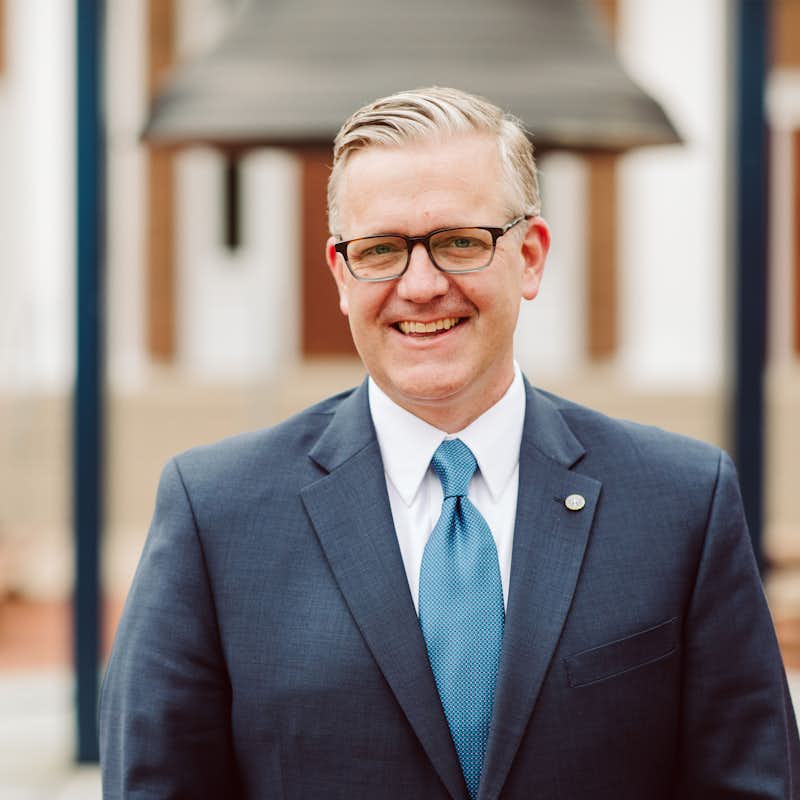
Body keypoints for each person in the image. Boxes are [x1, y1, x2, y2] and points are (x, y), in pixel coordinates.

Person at [100, 86, 800, 799]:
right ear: (342, 275)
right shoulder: (216, 514)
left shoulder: (682, 501)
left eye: (460, 242)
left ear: (529, 256)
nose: (422, 284)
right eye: (380, 250)